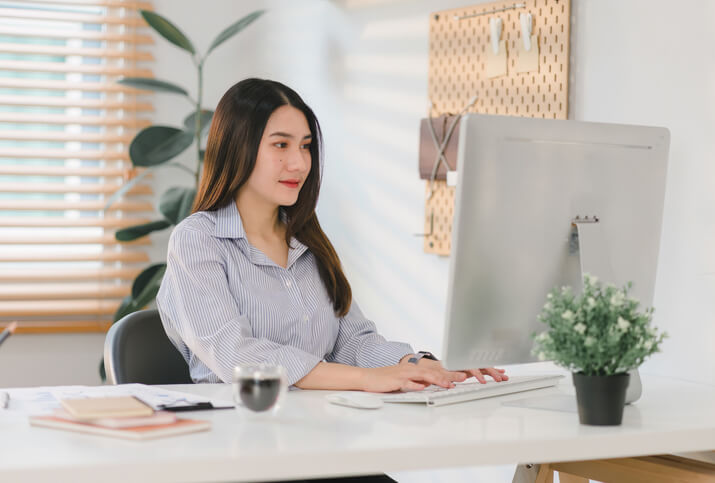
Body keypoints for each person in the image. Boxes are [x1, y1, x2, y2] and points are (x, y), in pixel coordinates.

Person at [157, 78, 507, 396]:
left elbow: (352, 341)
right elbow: (237, 355)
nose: (299, 163)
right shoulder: (197, 240)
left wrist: (417, 365)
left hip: (321, 429)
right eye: (281, 145)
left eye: (306, 146)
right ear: (237, 149)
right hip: (241, 439)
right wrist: (366, 380)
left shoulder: (308, 239)